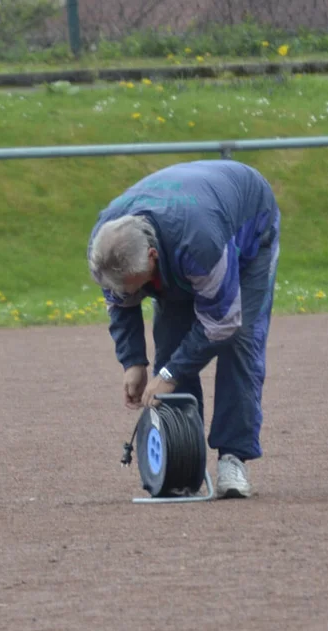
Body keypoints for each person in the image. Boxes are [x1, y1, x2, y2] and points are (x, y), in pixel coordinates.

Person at [86, 159, 281, 498]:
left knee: (239, 339)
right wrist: (133, 361)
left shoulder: (200, 243)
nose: (127, 294)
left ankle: (233, 458)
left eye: (133, 286)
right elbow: (120, 301)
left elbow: (222, 321)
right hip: (179, 243)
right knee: (171, 345)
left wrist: (171, 372)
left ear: (150, 257)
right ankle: (183, 464)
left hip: (247, 225)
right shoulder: (106, 246)